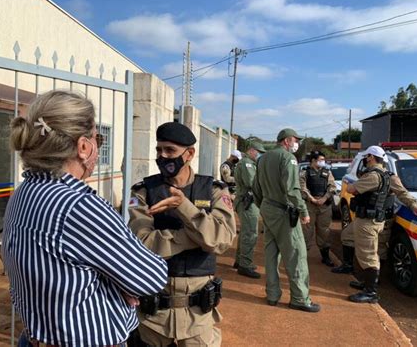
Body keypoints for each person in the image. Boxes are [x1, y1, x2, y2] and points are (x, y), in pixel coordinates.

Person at [2, 90, 168, 346]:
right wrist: (119, 282)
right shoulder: (78, 205)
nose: (97, 145)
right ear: (83, 146)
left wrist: (113, 280)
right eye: (97, 138)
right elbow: (150, 277)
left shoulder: (24, 192)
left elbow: (62, 268)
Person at [128, 122, 236, 346]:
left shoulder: (214, 190)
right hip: (153, 316)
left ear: (189, 154)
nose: (163, 156)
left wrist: (184, 206)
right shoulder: (143, 191)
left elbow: (223, 239)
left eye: (170, 151)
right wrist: (198, 237)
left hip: (198, 316)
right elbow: (142, 245)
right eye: (159, 150)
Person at [343, 145, 417, 303]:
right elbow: (403, 193)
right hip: (378, 220)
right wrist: (414, 205)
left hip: (368, 221)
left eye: (367, 157)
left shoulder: (372, 176)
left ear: (371, 158)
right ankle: (368, 281)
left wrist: (358, 181)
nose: (365, 160)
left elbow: (352, 189)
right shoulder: (390, 176)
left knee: (368, 255)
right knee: (366, 245)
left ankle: (370, 292)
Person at [253, 128, 320, 313]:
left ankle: (272, 295)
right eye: (295, 140)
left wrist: (264, 207)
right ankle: (300, 298)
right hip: (284, 212)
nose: (296, 144)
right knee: (296, 255)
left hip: (268, 209)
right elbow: (292, 189)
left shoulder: (262, 158)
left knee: (271, 254)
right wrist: (303, 210)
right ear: (287, 140)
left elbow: (256, 188)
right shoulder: (288, 158)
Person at [233, 142, 265, 279]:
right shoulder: (247, 164)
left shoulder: (249, 163)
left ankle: (240, 261)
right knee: (251, 233)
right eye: (258, 152)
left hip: (247, 201)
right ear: (251, 150)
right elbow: (252, 183)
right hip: (248, 202)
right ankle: (245, 265)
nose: (260, 155)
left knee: (246, 232)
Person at [299, 150, 336, 267]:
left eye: (323, 160)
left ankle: (325, 256)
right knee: (307, 231)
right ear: (313, 161)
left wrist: (324, 198)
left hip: (324, 206)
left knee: (324, 231)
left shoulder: (327, 173)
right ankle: (302, 257)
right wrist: (312, 199)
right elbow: (302, 188)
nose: (322, 162)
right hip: (310, 205)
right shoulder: (305, 173)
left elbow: (332, 186)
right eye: (320, 160)